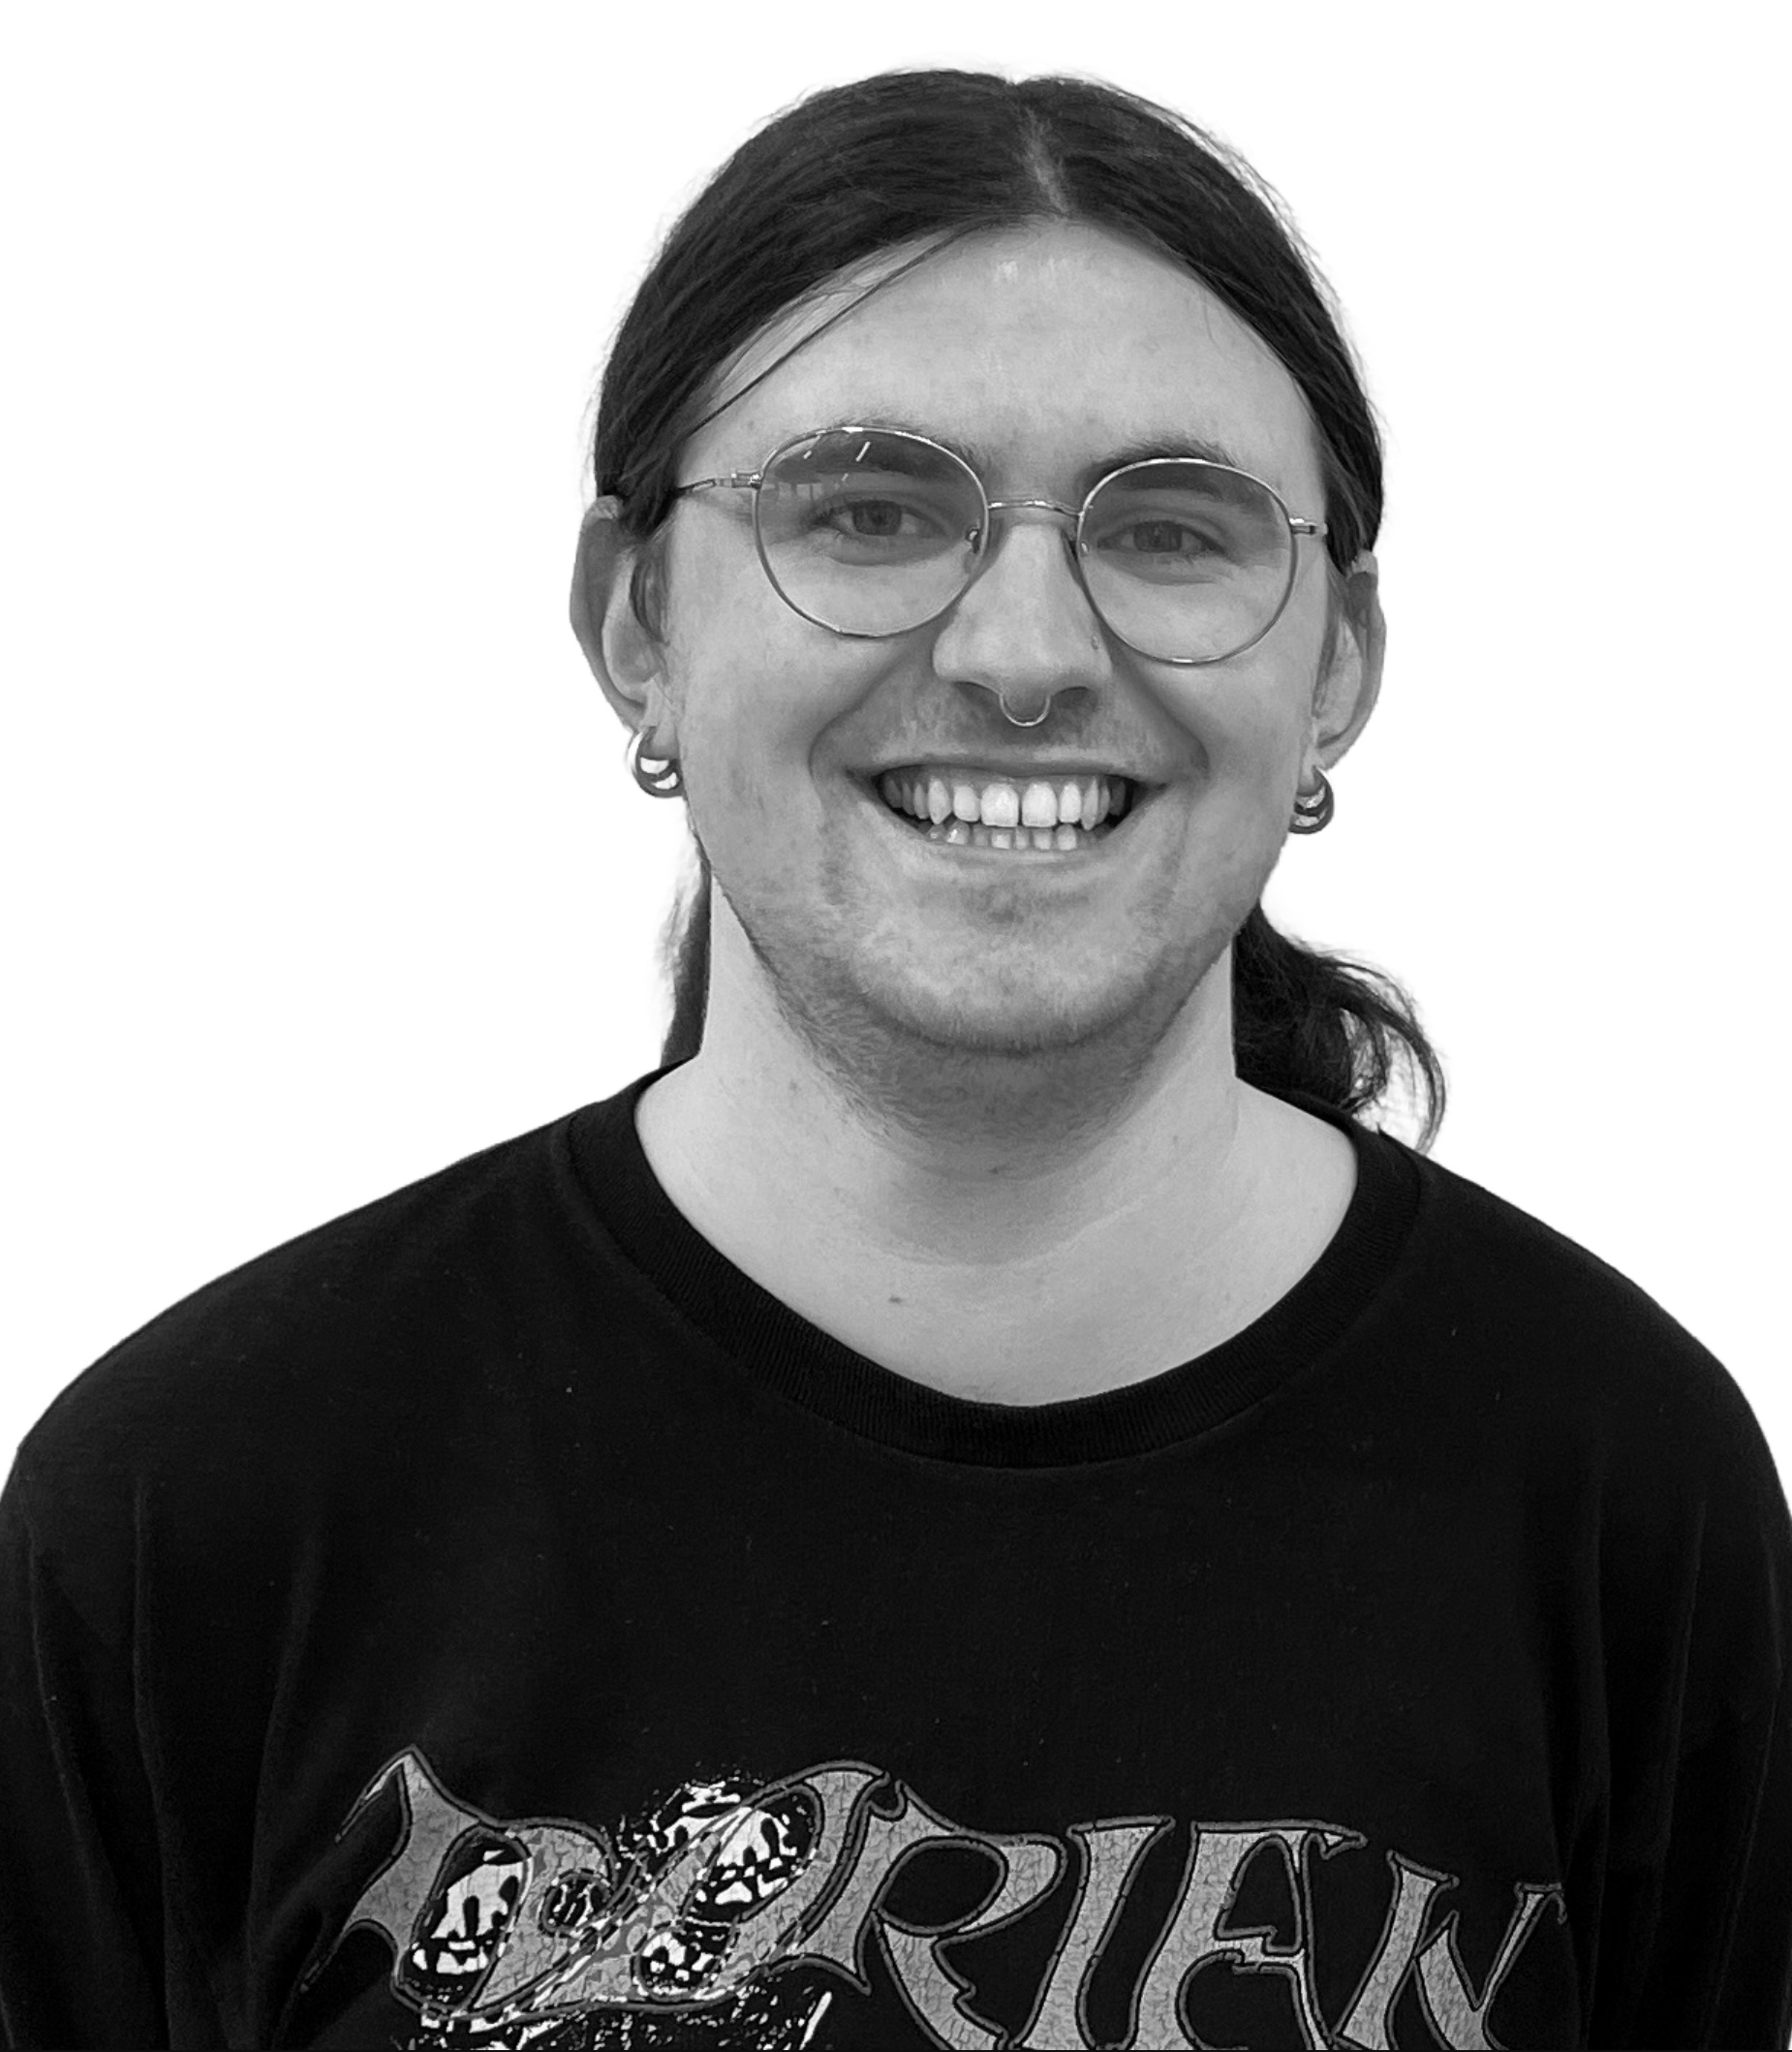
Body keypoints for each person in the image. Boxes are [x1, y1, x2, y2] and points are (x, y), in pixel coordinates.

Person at [2, 66, 1787, 2052]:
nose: (1025, 652)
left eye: (1169, 530)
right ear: (635, 625)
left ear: (1336, 668)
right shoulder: (199, 1518)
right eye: (866, 510)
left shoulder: (1619, 1501)